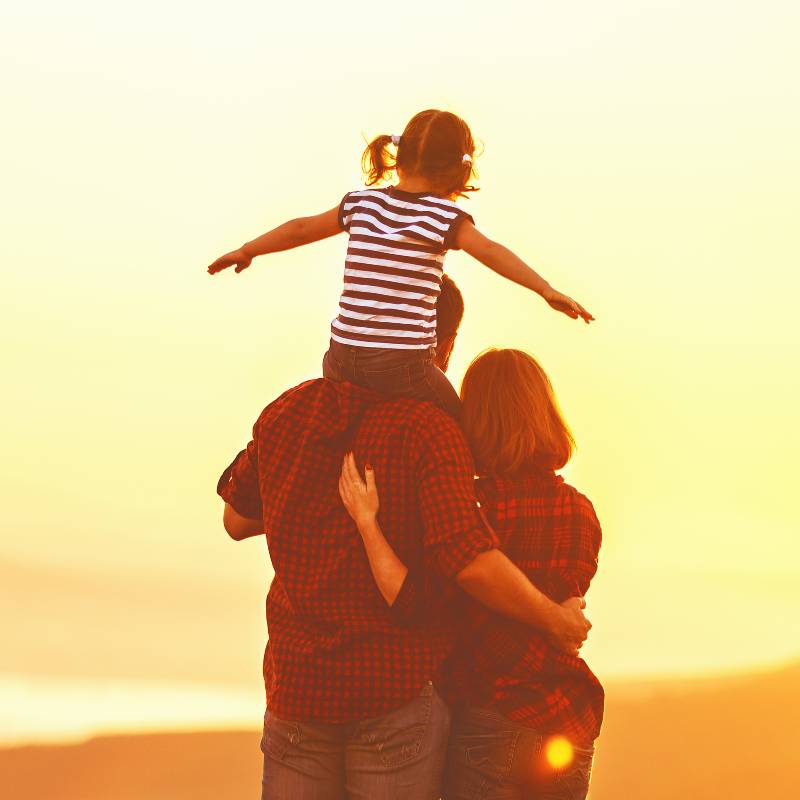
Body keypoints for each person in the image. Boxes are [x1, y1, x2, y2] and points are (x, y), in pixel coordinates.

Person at [217, 277, 592, 800]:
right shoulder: (432, 429)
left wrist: (314, 490)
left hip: (299, 686)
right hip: (392, 689)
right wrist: (554, 618)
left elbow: (237, 520)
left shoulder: (288, 412)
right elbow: (467, 558)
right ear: (442, 344)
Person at [338, 348, 603, 800]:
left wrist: (368, 523)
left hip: (490, 715)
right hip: (567, 718)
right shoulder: (582, 512)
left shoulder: (471, 509)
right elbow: (568, 599)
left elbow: (414, 599)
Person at [207, 109, 593, 418]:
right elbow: (491, 251)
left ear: (399, 156)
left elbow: (300, 228)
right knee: (455, 427)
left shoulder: (362, 202)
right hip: (401, 365)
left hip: (340, 357)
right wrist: (544, 289)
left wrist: (248, 249)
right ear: (459, 168)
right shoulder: (443, 217)